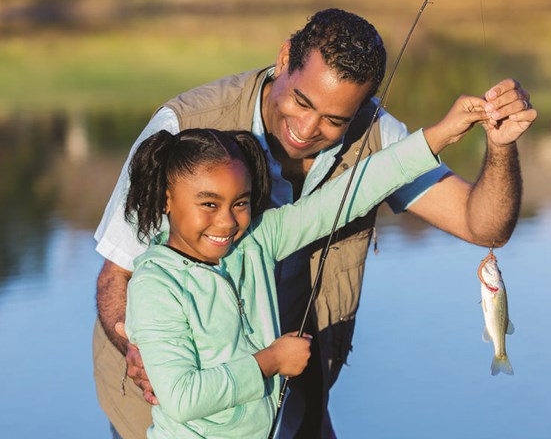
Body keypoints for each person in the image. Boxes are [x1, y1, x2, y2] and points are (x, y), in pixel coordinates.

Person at [93, 8, 536, 439]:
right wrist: (140, 350)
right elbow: (119, 277)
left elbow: (369, 190)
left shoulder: (259, 235)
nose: (306, 128)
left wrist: (455, 135)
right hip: (163, 414)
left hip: (281, 404)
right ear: (284, 58)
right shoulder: (180, 132)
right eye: (302, 101)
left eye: (335, 119)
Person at [123, 124, 452, 437]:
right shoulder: (155, 285)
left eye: (241, 203)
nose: (226, 222)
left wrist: (437, 136)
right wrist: (272, 361)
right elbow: (182, 399)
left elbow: (344, 198)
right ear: (167, 198)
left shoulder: (257, 239)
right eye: (209, 204)